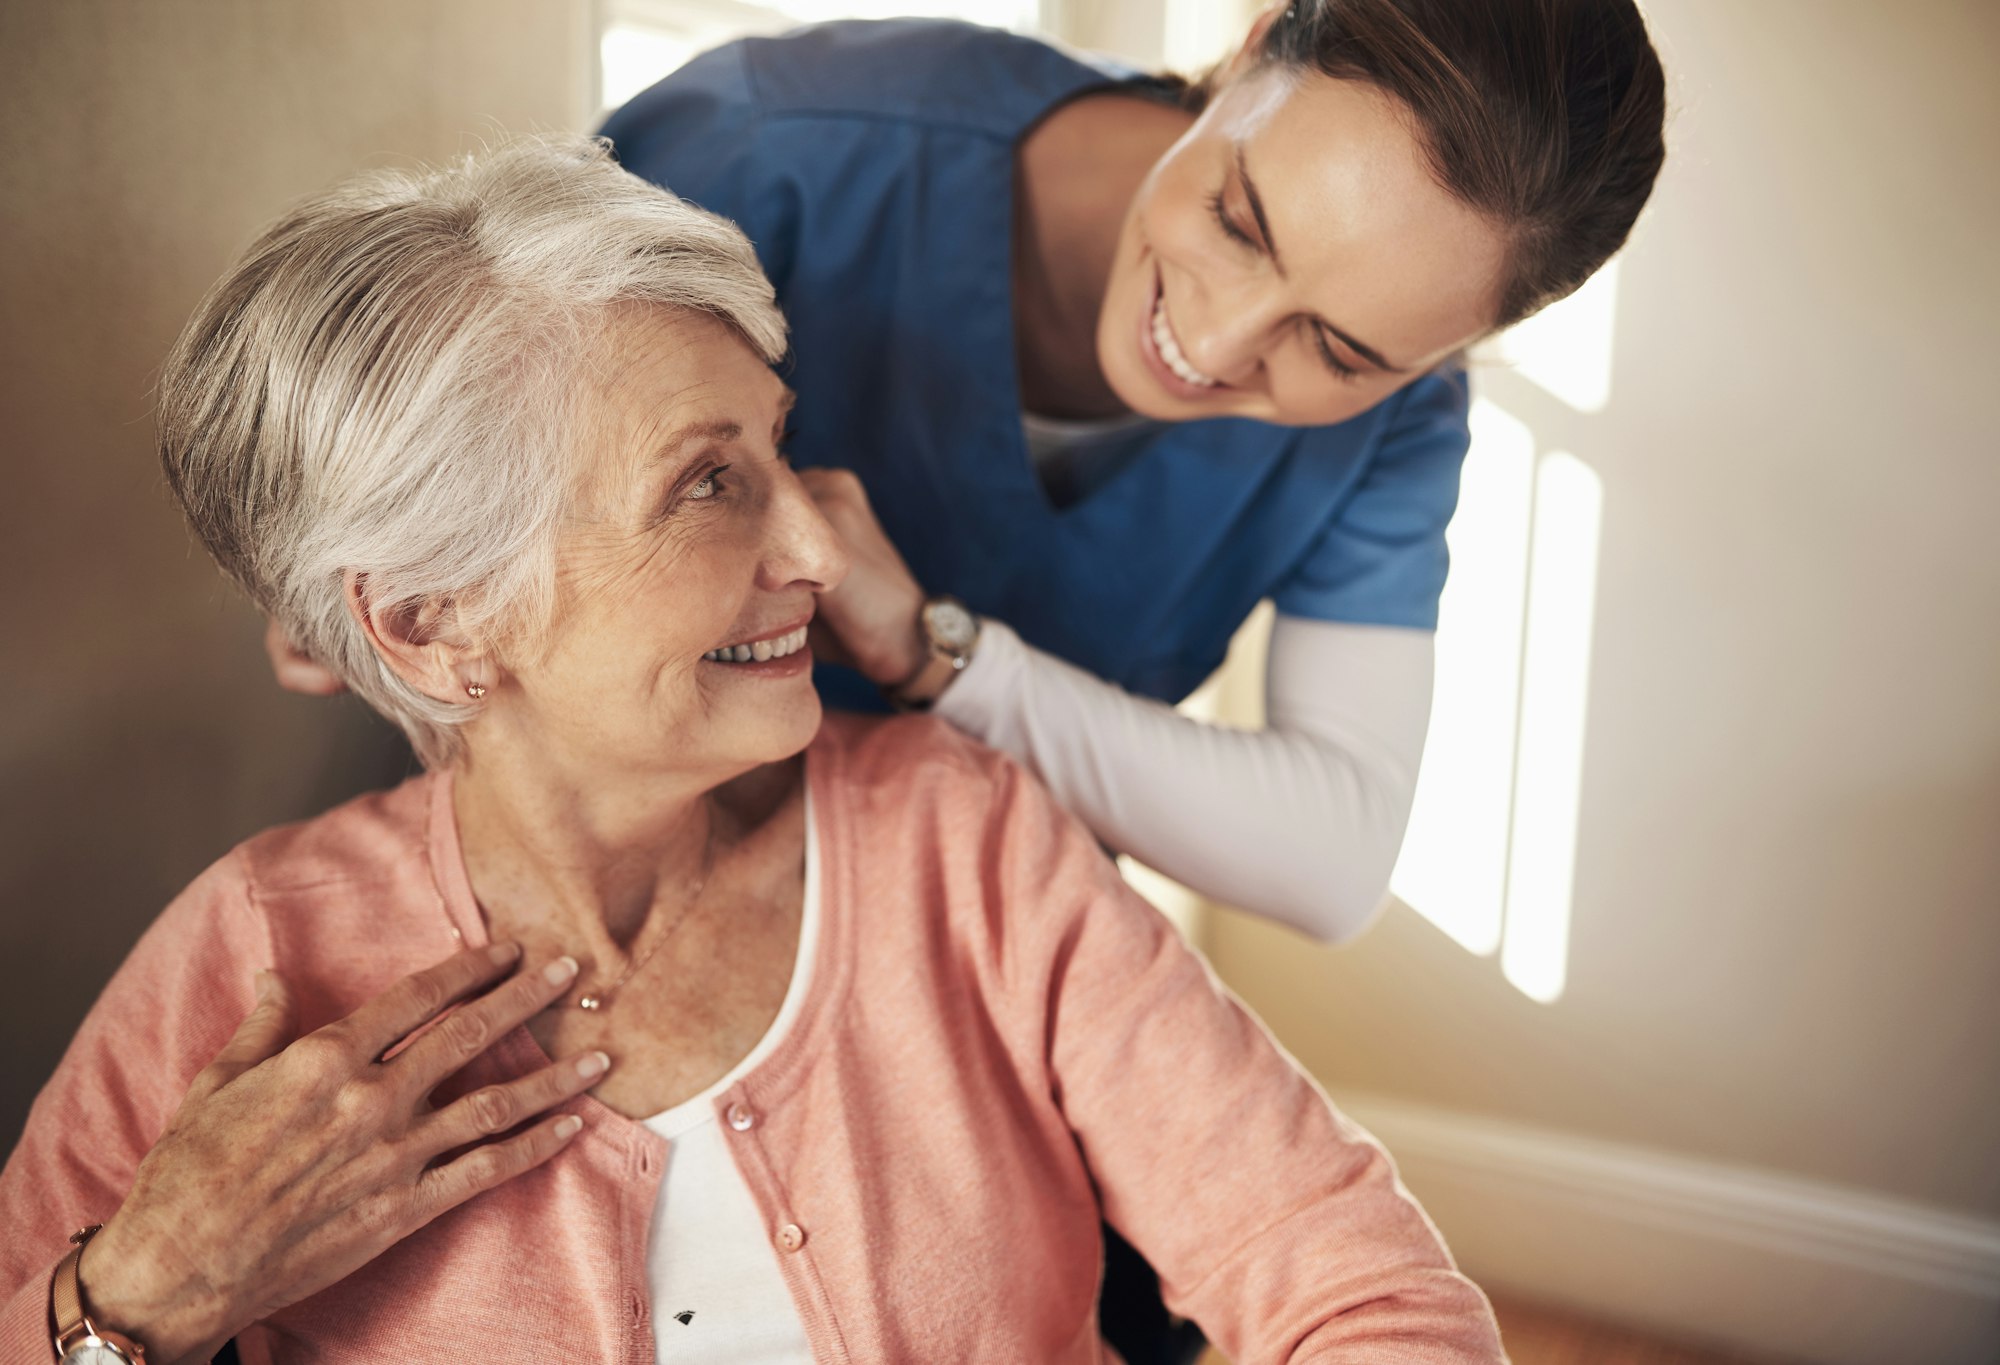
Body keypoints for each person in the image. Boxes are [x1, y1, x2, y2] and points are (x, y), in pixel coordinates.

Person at [1, 137, 1505, 1365]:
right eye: (708, 486)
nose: (820, 539)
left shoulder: (959, 838)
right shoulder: (253, 955)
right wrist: (134, 1303)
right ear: (435, 623)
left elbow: (1365, 1292)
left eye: (778, 443)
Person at [589, 0, 1668, 946]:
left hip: (958, 941)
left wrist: (943, 654)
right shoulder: (764, 148)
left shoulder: (1396, 426)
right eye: (1240, 223)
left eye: (1338, 351)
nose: (1217, 339)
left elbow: (1330, 860)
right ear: (1250, 56)